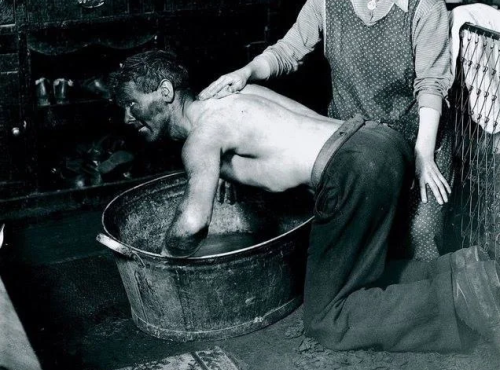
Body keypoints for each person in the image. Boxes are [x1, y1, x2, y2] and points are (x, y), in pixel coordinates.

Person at [110, 49, 500, 353]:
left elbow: (193, 224)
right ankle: (464, 270)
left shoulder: (200, 140)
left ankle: (458, 296)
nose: (128, 118)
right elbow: (295, 135)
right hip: (379, 140)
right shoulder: (233, 92)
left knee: (329, 317)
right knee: (358, 277)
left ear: (164, 92)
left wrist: (160, 259)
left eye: (131, 104)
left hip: (353, 167)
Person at [198, 0, 453, 260]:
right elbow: (288, 51)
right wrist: (246, 72)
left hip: (414, 137)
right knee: (354, 248)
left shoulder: (425, 3)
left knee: (420, 239)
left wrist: (424, 156)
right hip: (351, 140)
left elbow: (431, 84)